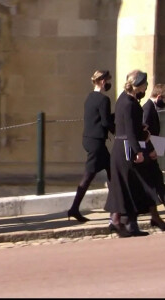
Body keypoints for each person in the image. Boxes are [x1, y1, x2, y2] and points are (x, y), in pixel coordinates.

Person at [104, 70, 165, 238]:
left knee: (131, 186)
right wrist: (138, 151)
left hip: (123, 146)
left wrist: (142, 131)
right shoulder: (129, 103)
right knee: (131, 185)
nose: (146, 87)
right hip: (126, 149)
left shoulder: (125, 99)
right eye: (145, 84)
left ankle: (129, 224)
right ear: (139, 84)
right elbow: (130, 131)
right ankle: (122, 222)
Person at [67, 70, 115, 222]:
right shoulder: (103, 100)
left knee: (113, 171)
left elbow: (98, 118)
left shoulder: (89, 98)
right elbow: (106, 122)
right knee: (88, 177)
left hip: (90, 140)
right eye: (108, 80)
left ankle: (117, 208)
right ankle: (74, 208)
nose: (109, 83)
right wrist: (118, 132)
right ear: (102, 81)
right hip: (96, 143)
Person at [141, 83, 165, 229]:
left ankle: (155, 217)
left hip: (152, 153)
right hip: (147, 154)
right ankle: (155, 218)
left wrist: (159, 150)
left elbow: (155, 133)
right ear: (159, 96)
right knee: (155, 184)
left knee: (157, 183)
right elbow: (144, 133)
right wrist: (152, 150)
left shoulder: (153, 108)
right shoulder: (148, 109)